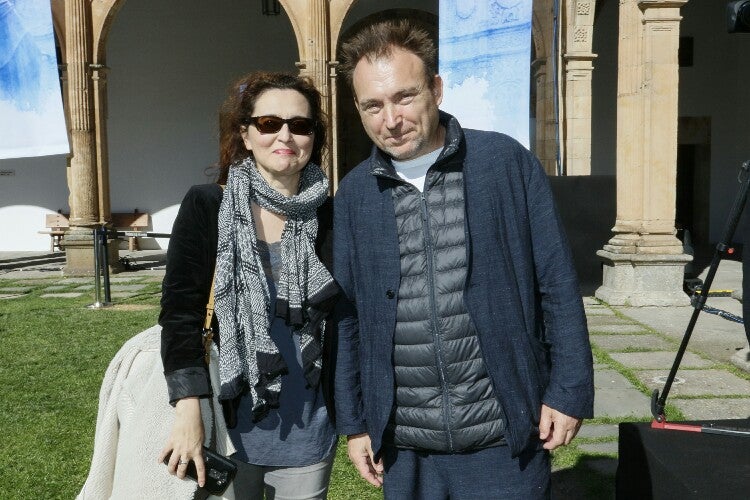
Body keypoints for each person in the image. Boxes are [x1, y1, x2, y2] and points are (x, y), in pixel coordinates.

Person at [332, 19, 595, 499]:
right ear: (357, 108)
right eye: (373, 105)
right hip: (406, 446)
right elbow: (348, 317)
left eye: (404, 97)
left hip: (503, 437)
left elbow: (556, 282)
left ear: (435, 88)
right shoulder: (353, 195)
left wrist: (568, 390)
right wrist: (354, 423)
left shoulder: (504, 163)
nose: (390, 119)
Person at [158, 71, 340, 499]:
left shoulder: (331, 215)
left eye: (300, 125)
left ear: (313, 136)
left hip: (309, 425)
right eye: (268, 123)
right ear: (244, 134)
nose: (285, 135)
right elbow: (180, 314)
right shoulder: (208, 206)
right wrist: (188, 409)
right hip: (225, 424)